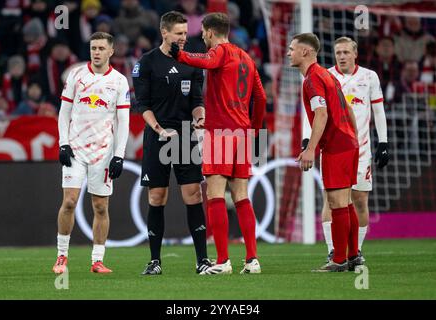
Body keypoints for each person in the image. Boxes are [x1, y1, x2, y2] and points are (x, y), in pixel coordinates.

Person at [169, 12, 267, 275]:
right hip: (242, 133)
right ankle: (252, 259)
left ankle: (223, 261)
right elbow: (261, 97)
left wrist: (179, 54)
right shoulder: (247, 57)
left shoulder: (220, 51)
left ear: (211, 32)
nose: (201, 36)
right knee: (242, 196)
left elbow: (204, 61)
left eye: (202, 32)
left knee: (214, 196)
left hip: (221, 133)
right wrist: (254, 130)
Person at [132, 11, 211, 275]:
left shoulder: (193, 62)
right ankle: (154, 261)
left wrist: (200, 118)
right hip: (158, 135)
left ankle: (202, 261)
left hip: (186, 134)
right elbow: (142, 105)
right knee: (157, 196)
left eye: (184, 33)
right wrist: (160, 129)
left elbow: (197, 100)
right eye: (178, 33)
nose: (183, 38)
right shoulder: (147, 62)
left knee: (193, 194)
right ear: (164, 32)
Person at [52, 32, 130, 274]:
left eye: (100, 48)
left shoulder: (118, 81)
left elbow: (123, 120)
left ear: (110, 51)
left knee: (100, 206)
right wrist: (63, 144)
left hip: (103, 153)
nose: (95, 52)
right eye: (93, 48)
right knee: (69, 202)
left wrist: (119, 155)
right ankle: (61, 257)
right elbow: (64, 113)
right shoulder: (76, 75)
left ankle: (97, 260)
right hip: (75, 149)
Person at [287, 33, 360, 272]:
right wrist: (354, 136)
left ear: (305, 52)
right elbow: (347, 108)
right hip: (347, 143)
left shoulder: (313, 79)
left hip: (337, 146)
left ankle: (339, 260)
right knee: (345, 202)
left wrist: (310, 150)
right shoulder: (327, 74)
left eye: (292, 48)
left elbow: (322, 114)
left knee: (337, 203)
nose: (289, 52)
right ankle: (353, 256)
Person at [317, 36, 388, 265]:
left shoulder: (370, 77)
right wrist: (308, 139)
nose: (342, 56)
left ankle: (355, 251)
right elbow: (317, 113)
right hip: (333, 150)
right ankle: (332, 250)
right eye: (338, 52)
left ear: (355, 54)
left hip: (362, 150)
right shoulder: (326, 77)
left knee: (359, 200)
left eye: (346, 52)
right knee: (331, 200)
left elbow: (378, 112)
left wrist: (383, 143)